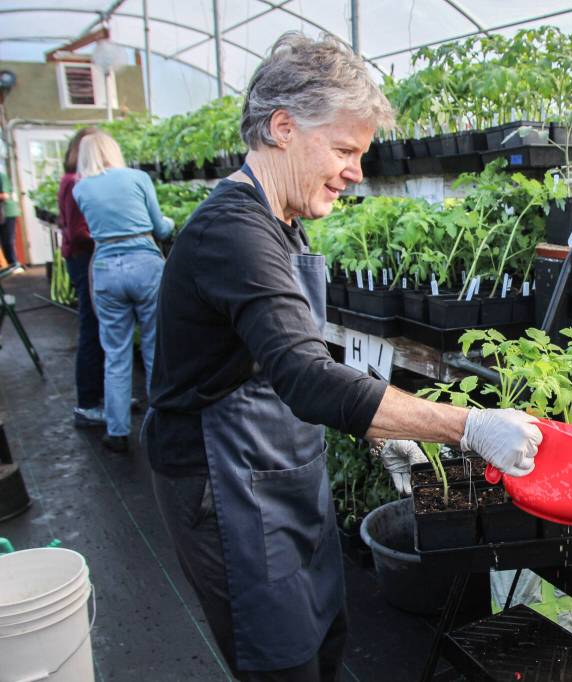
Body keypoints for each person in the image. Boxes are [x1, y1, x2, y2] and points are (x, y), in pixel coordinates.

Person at [147, 32, 541, 682]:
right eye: (344, 149)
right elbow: (306, 378)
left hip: (279, 468)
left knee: (327, 635)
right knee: (285, 664)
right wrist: (466, 427)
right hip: (225, 485)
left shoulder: (283, 223)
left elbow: (292, 356)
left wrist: (388, 430)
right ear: (282, 128)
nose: (357, 171)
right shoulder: (234, 234)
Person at [73, 132, 172, 453]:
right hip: (145, 265)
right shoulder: (137, 177)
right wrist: (169, 223)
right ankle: (161, 428)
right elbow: (160, 227)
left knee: (116, 353)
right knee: (156, 350)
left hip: (106, 269)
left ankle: (116, 432)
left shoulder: (81, 188)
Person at [58, 127, 106, 429]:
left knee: (100, 328)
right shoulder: (75, 182)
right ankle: (88, 403)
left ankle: (106, 396)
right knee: (91, 328)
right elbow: (77, 231)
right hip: (82, 258)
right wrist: (109, 234)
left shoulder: (73, 181)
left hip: (82, 257)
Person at [0, 164, 23, 272]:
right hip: (1, 213)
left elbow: (5, 195)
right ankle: (7, 266)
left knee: (8, 240)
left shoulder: (2, 176)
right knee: (4, 241)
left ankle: (14, 265)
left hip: (8, 212)